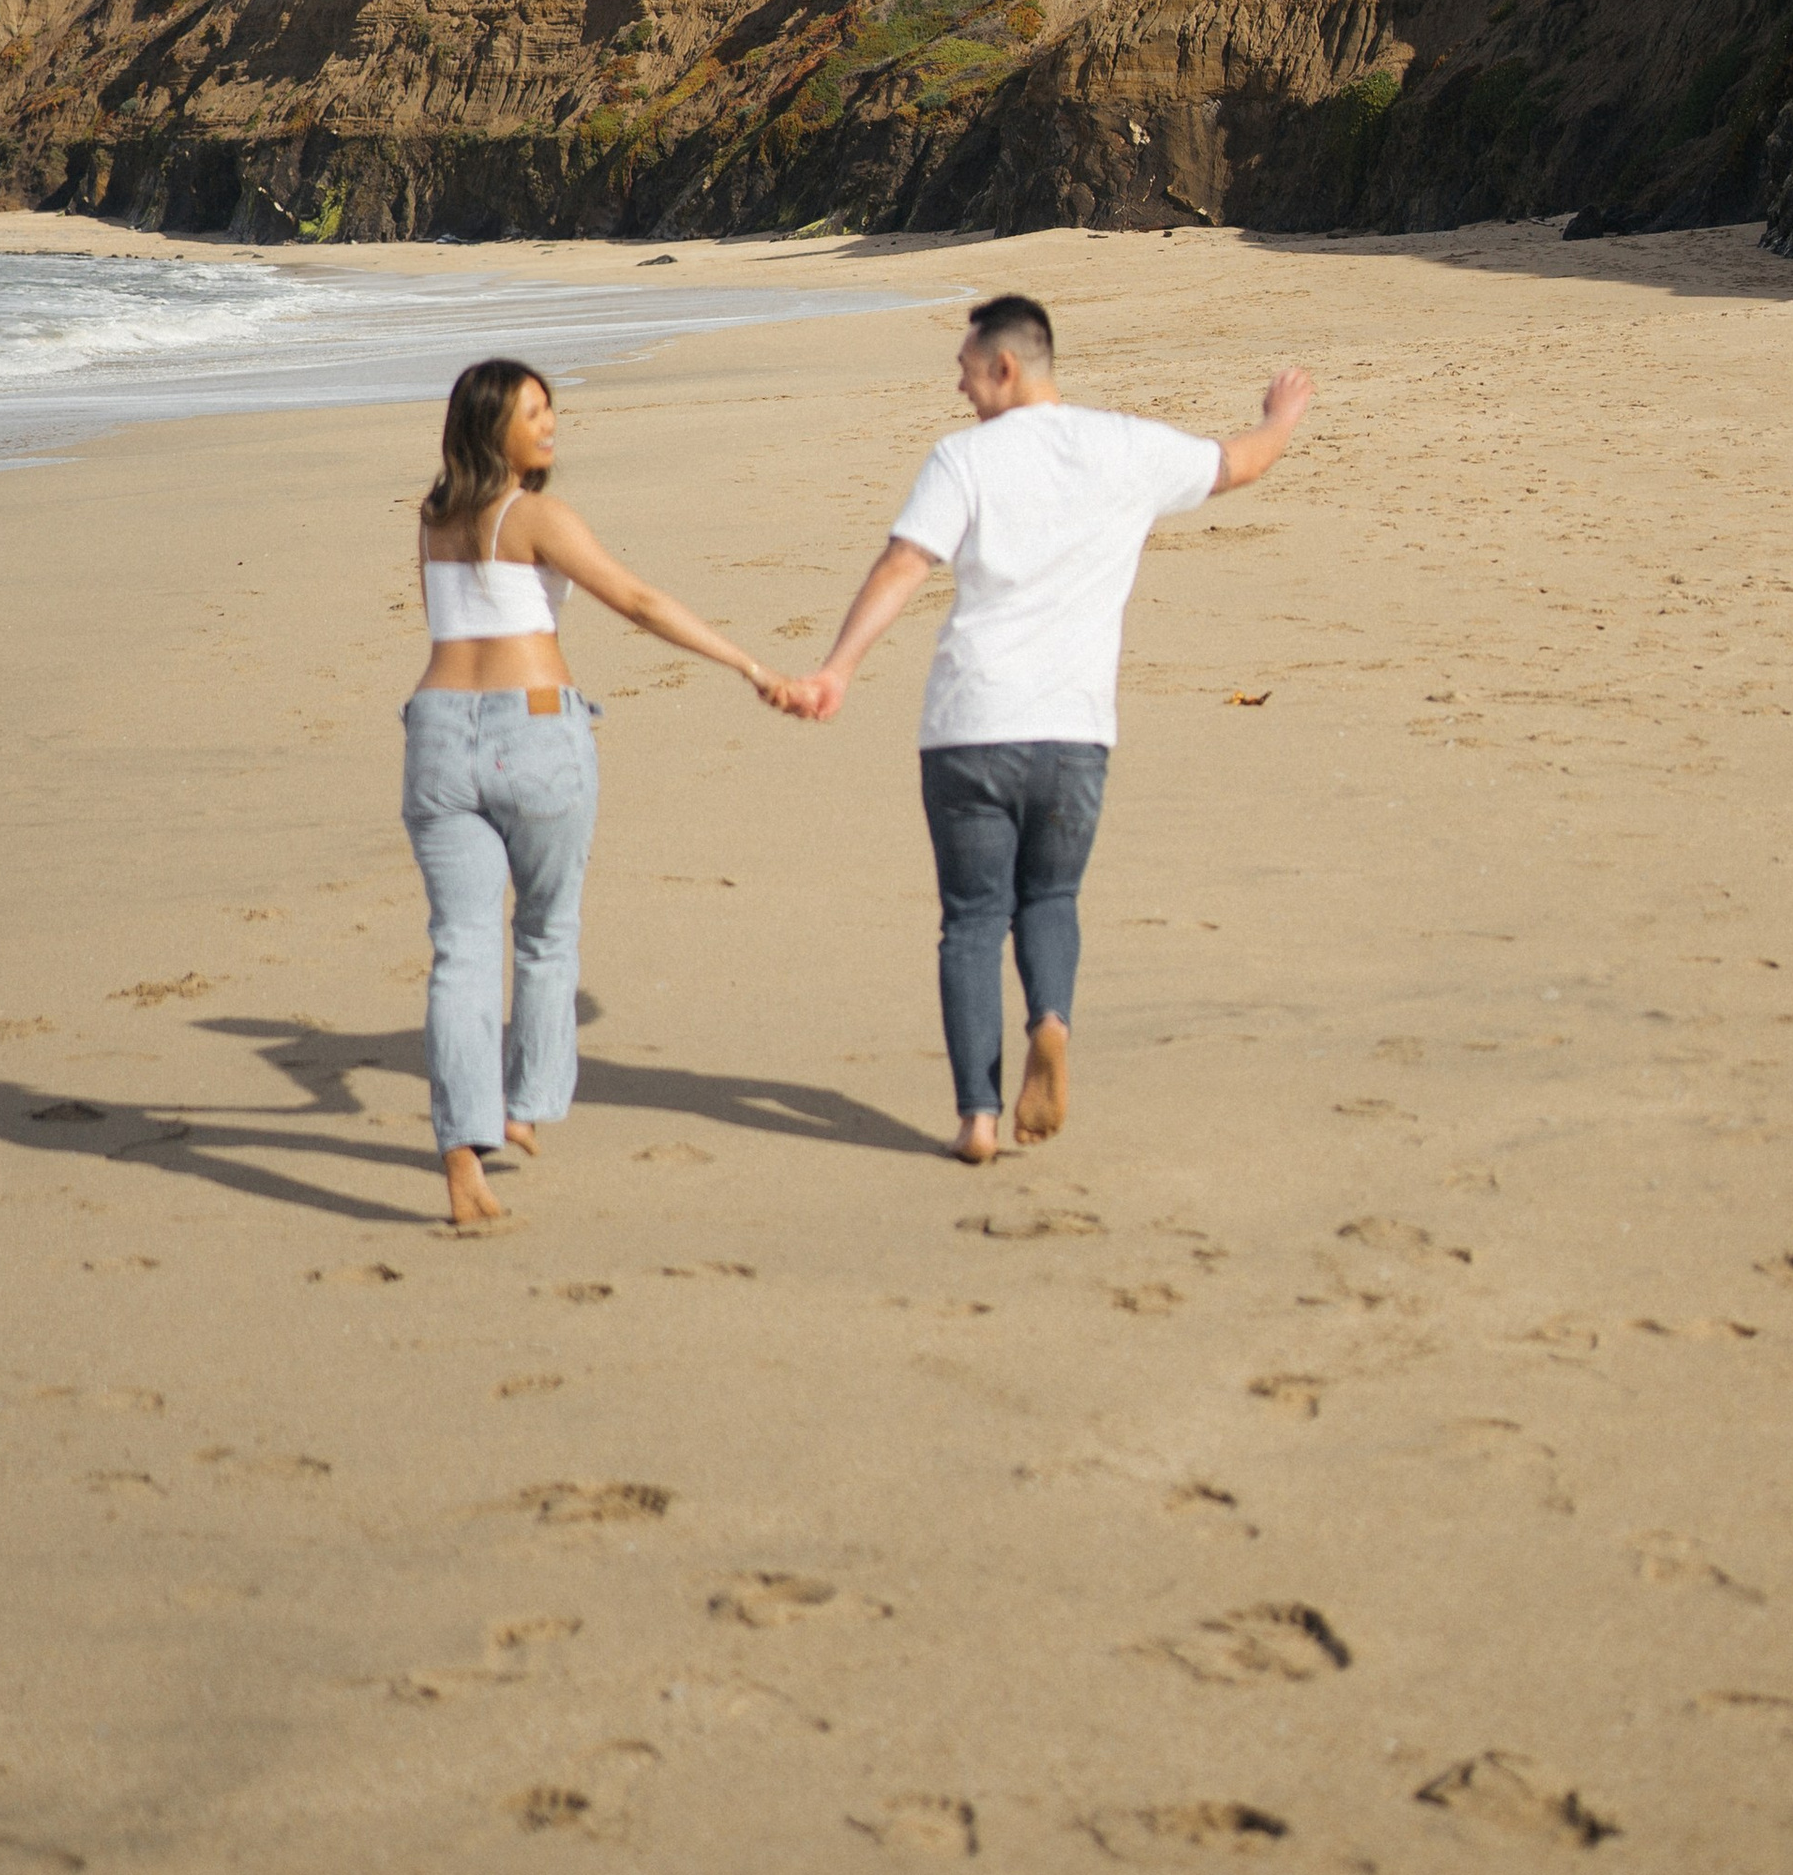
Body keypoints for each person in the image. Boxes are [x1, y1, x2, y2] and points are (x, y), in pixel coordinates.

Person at [792, 295, 1312, 1162]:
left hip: (969, 728)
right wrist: (1280, 415)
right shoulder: (1128, 446)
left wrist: (837, 668)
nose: (960, 391)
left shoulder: (962, 460)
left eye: (965, 373)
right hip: (1075, 731)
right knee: (1051, 899)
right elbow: (1243, 465)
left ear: (1004, 366)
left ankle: (977, 1120)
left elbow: (905, 563)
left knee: (969, 919)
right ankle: (1053, 1023)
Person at [404, 354, 789, 1228]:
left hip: (434, 734)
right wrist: (748, 663)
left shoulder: (432, 520)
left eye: (550, 410)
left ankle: (462, 1152)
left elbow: (453, 617)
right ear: (490, 426)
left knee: (460, 953)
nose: (549, 426)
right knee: (544, 930)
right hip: (533, 730)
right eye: (532, 413)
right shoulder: (534, 515)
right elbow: (638, 601)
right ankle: (525, 1106)